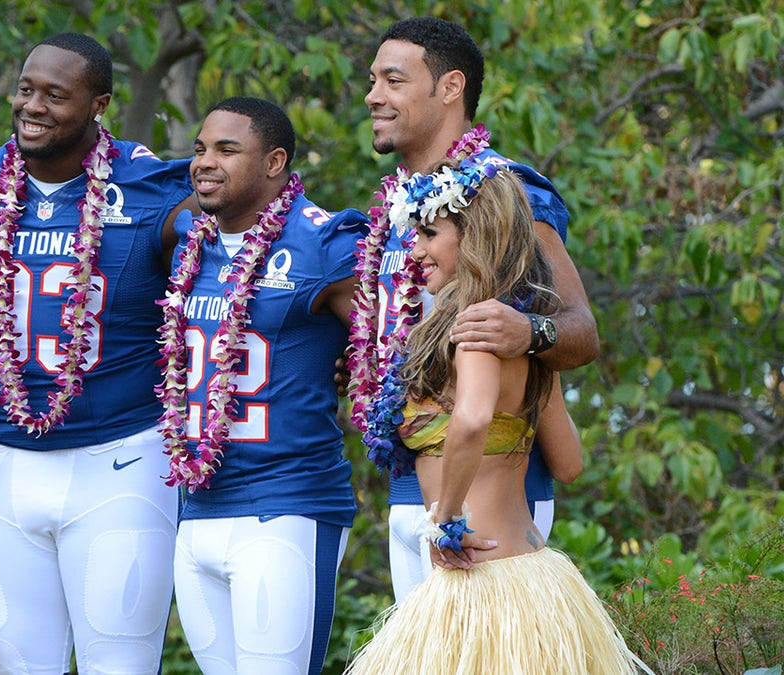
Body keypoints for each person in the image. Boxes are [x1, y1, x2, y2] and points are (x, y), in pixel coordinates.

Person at [0, 33, 197, 674]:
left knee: (120, 665)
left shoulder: (153, 190)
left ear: (99, 104)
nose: (34, 106)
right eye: (27, 89)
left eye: (57, 94)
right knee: (9, 665)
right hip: (1, 463)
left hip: (122, 462)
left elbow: (231, 282)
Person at [346, 157, 637, 673]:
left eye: (430, 234)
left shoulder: (477, 326)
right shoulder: (517, 332)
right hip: (530, 572)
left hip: (480, 578)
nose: (415, 251)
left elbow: (475, 419)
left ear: (474, 236)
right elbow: (569, 463)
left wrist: (446, 520)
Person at [343, 16, 596, 602]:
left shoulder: (506, 195)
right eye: (372, 80)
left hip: (490, 500)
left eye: (392, 80)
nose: (372, 96)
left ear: (450, 88)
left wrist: (528, 330)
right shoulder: (397, 208)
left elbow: (581, 332)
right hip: (408, 488)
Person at [159, 97, 367, 674]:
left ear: (275, 162)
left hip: (287, 506)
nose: (205, 161)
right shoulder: (189, 242)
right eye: (200, 148)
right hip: (196, 507)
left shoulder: (323, 242)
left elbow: (392, 348)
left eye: (228, 149)